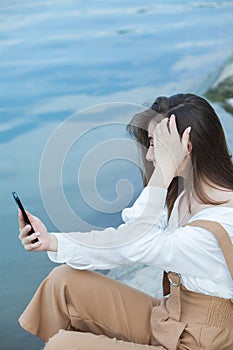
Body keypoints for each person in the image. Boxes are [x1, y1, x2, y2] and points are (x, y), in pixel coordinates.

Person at [18, 93, 233, 350]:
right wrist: (51, 241)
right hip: (170, 319)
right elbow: (125, 238)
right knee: (62, 282)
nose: (150, 156)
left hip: (198, 343)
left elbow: (136, 244)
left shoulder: (217, 224)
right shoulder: (188, 195)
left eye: (155, 143)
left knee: (64, 346)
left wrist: (163, 174)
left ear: (186, 147)